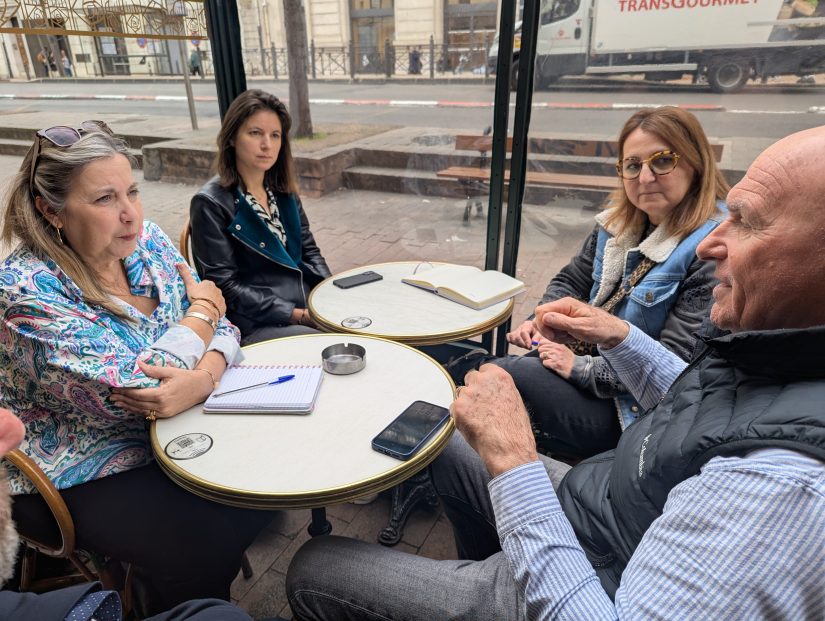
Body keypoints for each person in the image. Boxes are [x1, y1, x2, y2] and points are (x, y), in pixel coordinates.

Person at [284, 126, 825, 618]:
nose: (711, 244)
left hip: (593, 574)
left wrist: (515, 457)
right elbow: (699, 398)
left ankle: (502, 591)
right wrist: (619, 336)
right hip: (611, 505)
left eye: (747, 221)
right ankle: (484, 568)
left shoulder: (785, 487)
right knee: (449, 441)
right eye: (630, 165)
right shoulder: (776, 346)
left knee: (314, 566)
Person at [0, 120, 271, 616]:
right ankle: (178, 605)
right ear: (50, 210)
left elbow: (225, 325)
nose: (130, 215)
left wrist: (203, 374)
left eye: (132, 192)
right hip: (77, 464)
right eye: (104, 199)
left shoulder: (146, 242)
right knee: (205, 541)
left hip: (178, 424)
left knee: (263, 488)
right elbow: (138, 391)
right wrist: (203, 316)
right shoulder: (23, 291)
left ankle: (181, 592)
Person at [457, 106, 728, 459]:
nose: (645, 177)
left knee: (495, 374)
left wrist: (580, 368)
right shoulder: (617, 224)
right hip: (587, 364)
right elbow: (571, 278)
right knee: (485, 374)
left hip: (633, 410)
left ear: (695, 163)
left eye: (662, 161)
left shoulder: (711, 248)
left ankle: (433, 459)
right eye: (632, 165)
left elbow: (676, 370)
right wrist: (541, 319)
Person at [0, 407, 262, 620]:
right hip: (57, 468)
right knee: (202, 545)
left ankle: (153, 587)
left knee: (238, 503)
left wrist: (207, 362)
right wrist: (205, 367)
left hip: (115, 432)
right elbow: (125, 394)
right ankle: (158, 595)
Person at [190, 90, 330, 345]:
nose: (267, 144)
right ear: (232, 137)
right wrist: (297, 315)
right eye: (255, 133)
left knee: (364, 323)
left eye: (275, 135)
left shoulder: (282, 192)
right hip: (255, 322)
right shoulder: (210, 203)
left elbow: (310, 252)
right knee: (336, 344)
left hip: (303, 304)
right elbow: (225, 287)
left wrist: (331, 295)